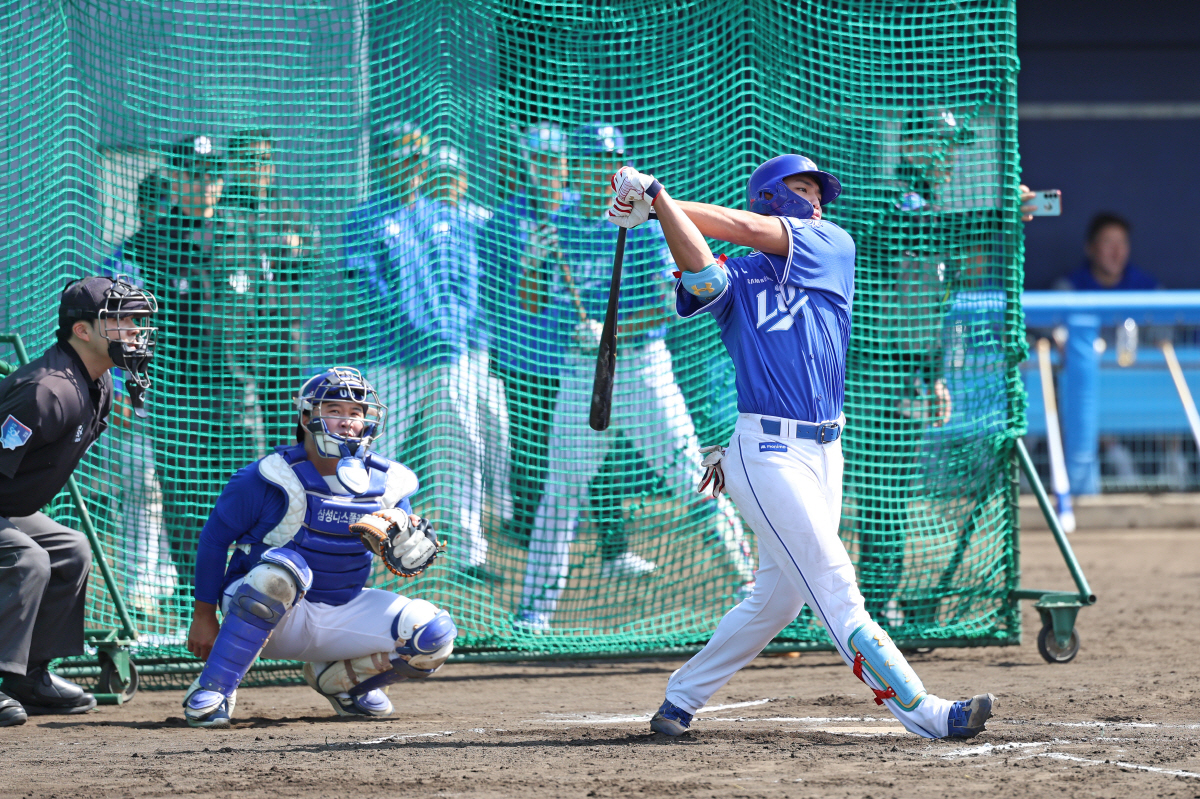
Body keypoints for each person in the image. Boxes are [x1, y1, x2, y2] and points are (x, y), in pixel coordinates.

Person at [607, 155, 994, 739]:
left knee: (779, 600)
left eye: (817, 189)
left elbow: (742, 229)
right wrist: (660, 209)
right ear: (769, 196)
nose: (815, 199)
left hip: (825, 450)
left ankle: (680, 699)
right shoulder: (737, 276)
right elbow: (703, 271)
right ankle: (929, 715)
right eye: (801, 188)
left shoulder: (831, 243)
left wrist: (657, 200)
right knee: (835, 584)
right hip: (765, 453)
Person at [514, 123, 754, 631]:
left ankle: (747, 584)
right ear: (573, 168)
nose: (601, 167)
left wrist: (610, 325)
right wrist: (533, 264)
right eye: (589, 159)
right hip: (583, 372)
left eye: (610, 158)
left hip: (643, 369)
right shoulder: (554, 223)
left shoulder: (642, 224)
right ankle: (533, 613)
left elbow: (672, 304)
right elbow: (529, 303)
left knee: (691, 476)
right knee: (562, 490)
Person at [182, 367, 458, 728]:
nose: (347, 422)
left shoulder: (388, 483)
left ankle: (342, 683)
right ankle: (214, 688)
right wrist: (203, 616)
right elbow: (214, 540)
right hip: (267, 614)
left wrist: (408, 547)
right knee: (281, 571)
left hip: (341, 611)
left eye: (355, 413)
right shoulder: (268, 475)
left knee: (434, 634)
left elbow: (402, 552)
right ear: (307, 417)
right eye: (335, 411)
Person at [0, 276, 157, 726]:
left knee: (70, 549)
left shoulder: (97, 382)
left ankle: (28, 677)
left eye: (136, 320)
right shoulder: (47, 391)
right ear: (82, 331)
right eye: (120, 320)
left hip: (6, 507)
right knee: (25, 557)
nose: (134, 330)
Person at [345, 125, 494, 580]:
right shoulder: (364, 217)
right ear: (384, 162)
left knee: (461, 446)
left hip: (447, 354)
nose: (412, 167)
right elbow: (367, 288)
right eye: (402, 158)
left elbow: (468, 281)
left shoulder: (444, 214)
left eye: (417, 159)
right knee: (375, 456)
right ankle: (360, 550)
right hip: (391, 357)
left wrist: (450, 328)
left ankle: (471, 552)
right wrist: (418, 327)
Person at [123, 134, 233, 603]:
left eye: (212, 175)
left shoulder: (242, 231)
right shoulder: (149, 242)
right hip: (173, 392)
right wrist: (129, 380)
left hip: (235, 391)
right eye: (192, 174)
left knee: (242, 494)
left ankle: (244, 591)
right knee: (179, 496)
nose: (204, 184)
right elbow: (123, 319)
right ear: (175, 178)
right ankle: (193, 595)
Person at [479, 123, 575, 553]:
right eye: (538, 160)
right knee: (530, 439)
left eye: (554, 160)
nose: (547, 169)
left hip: (578, 353)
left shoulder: (583, 212)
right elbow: (495, 289)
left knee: (578, 440)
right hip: (525, 352)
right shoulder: (504, 219)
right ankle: (525, 521)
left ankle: (593, 528)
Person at [101, 173, 176, 622]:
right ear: (145, 210)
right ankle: (140, 582)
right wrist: (121, 389)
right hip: (140, 385)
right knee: (141, 484)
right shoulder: (129, 256)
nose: (165, 214)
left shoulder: (194, 245)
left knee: (174, 486)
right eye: (159, 206)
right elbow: (114, 331)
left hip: (186, 389)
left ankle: (166, 576)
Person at [216, 129, 318, 444]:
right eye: (248, 160)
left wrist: (299, 248)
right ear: (233, 163)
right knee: (241, 430)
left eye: (264, 159)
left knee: (285, 425)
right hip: (237, 337)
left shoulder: (288, 209)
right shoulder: (222, 208)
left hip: (283, 334)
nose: (258, 168)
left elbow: (313, 260)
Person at [1053, 213, 1160, 291]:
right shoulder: (1069, 289)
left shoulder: (1148, 288)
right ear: (1090, 248)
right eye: (1108, 243)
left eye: (1122, 243)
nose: (1116, 253)